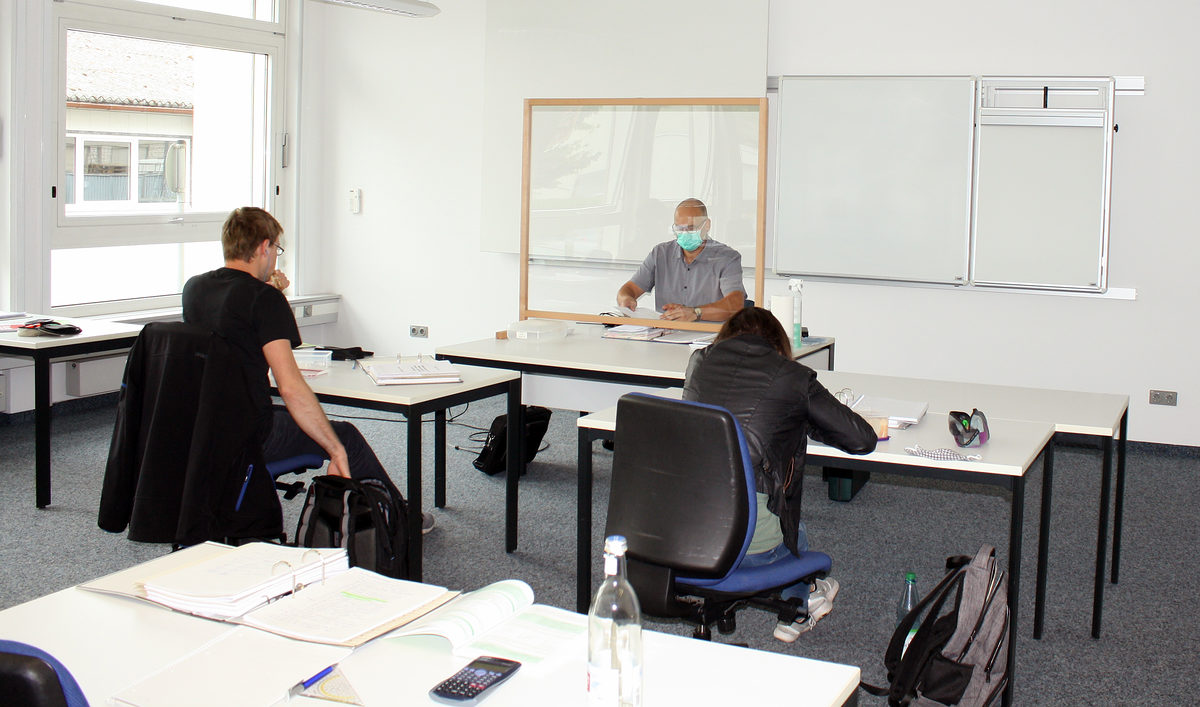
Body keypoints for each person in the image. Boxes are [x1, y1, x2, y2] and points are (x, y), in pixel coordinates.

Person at [182, 207, 434, 533]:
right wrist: (334, 448)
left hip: (201, 427)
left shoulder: (195, 288)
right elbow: (289, 387)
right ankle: (402, 519)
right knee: (345, 437)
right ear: (264, 246)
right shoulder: (263, 299)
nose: (276, 256)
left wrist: (269, 291)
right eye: (277, 248)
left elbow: (236, 329)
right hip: (250, 433)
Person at [682, 307, 876, 641]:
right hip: (752, 550)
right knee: (795, 533)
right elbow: (862, 439)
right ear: (779, 344)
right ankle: (799, 604)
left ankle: (805, 596)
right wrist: (804, 418)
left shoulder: (698, 363)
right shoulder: (792, 376)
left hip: (681, 538)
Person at [616, 198, 746, 322]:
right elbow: (629, 289)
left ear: (707, 225)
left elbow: (735, 303)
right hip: (666, 333)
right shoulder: (660, 254)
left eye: (691, 228)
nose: (684, 233)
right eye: (679, 228)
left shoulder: (727, 258)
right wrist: (625, 299)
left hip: (708, 335)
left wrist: (696, 313)